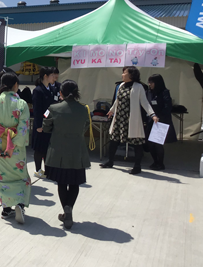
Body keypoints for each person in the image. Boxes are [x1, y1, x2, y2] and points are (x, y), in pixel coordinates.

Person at [0, 72, 31, 224]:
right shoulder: (21, 104)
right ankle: (20, 204)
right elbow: (23, 127)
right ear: (15, 85)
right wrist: (14, 145)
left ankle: (6, 208)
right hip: (15, 147)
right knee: (20, 176)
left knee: (1, 177)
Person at [43, 80, 90, 230]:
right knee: (75, 183)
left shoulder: (53, 108)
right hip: (77, 150)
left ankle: (66, 210)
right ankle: (69, 208)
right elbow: (86, 126)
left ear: (61, 93)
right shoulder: (84, 109)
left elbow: (46, 127)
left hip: (58, 151)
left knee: (62, 183)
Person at [100, 66, 158, 175]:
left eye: (124, 73)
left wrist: (152, 114)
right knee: (114, 140)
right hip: (119, 118)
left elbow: (144, 102)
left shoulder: (139, 87)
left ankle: (137, 166)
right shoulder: (121, 85)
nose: (122, 74)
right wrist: (112, 110)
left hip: (132, 119)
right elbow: (117, 100)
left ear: (131, 75)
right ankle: (110, 161)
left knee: (136, 143)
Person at [146, 74, 177, 170]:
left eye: (151, 82)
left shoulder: (164, 92)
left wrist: (158, 116)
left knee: (158, 143)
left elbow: (168, 107)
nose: (149, 84)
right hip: (151, 120)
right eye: (149, 82)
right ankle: (155, 161)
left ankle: (160, 163)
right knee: (149, 143)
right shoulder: (149, 92)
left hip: (161, 121)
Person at [32, 66, 55, 178]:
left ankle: (48, 169)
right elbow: (37, 110)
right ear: (45, 76)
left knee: (46, 148)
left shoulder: (50, 89)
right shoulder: (38, 90)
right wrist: (39, 125)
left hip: (49, 122)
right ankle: (38, 169)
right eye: (52, 75)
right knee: (39, 149)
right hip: (41, 124)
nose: (54, 77)